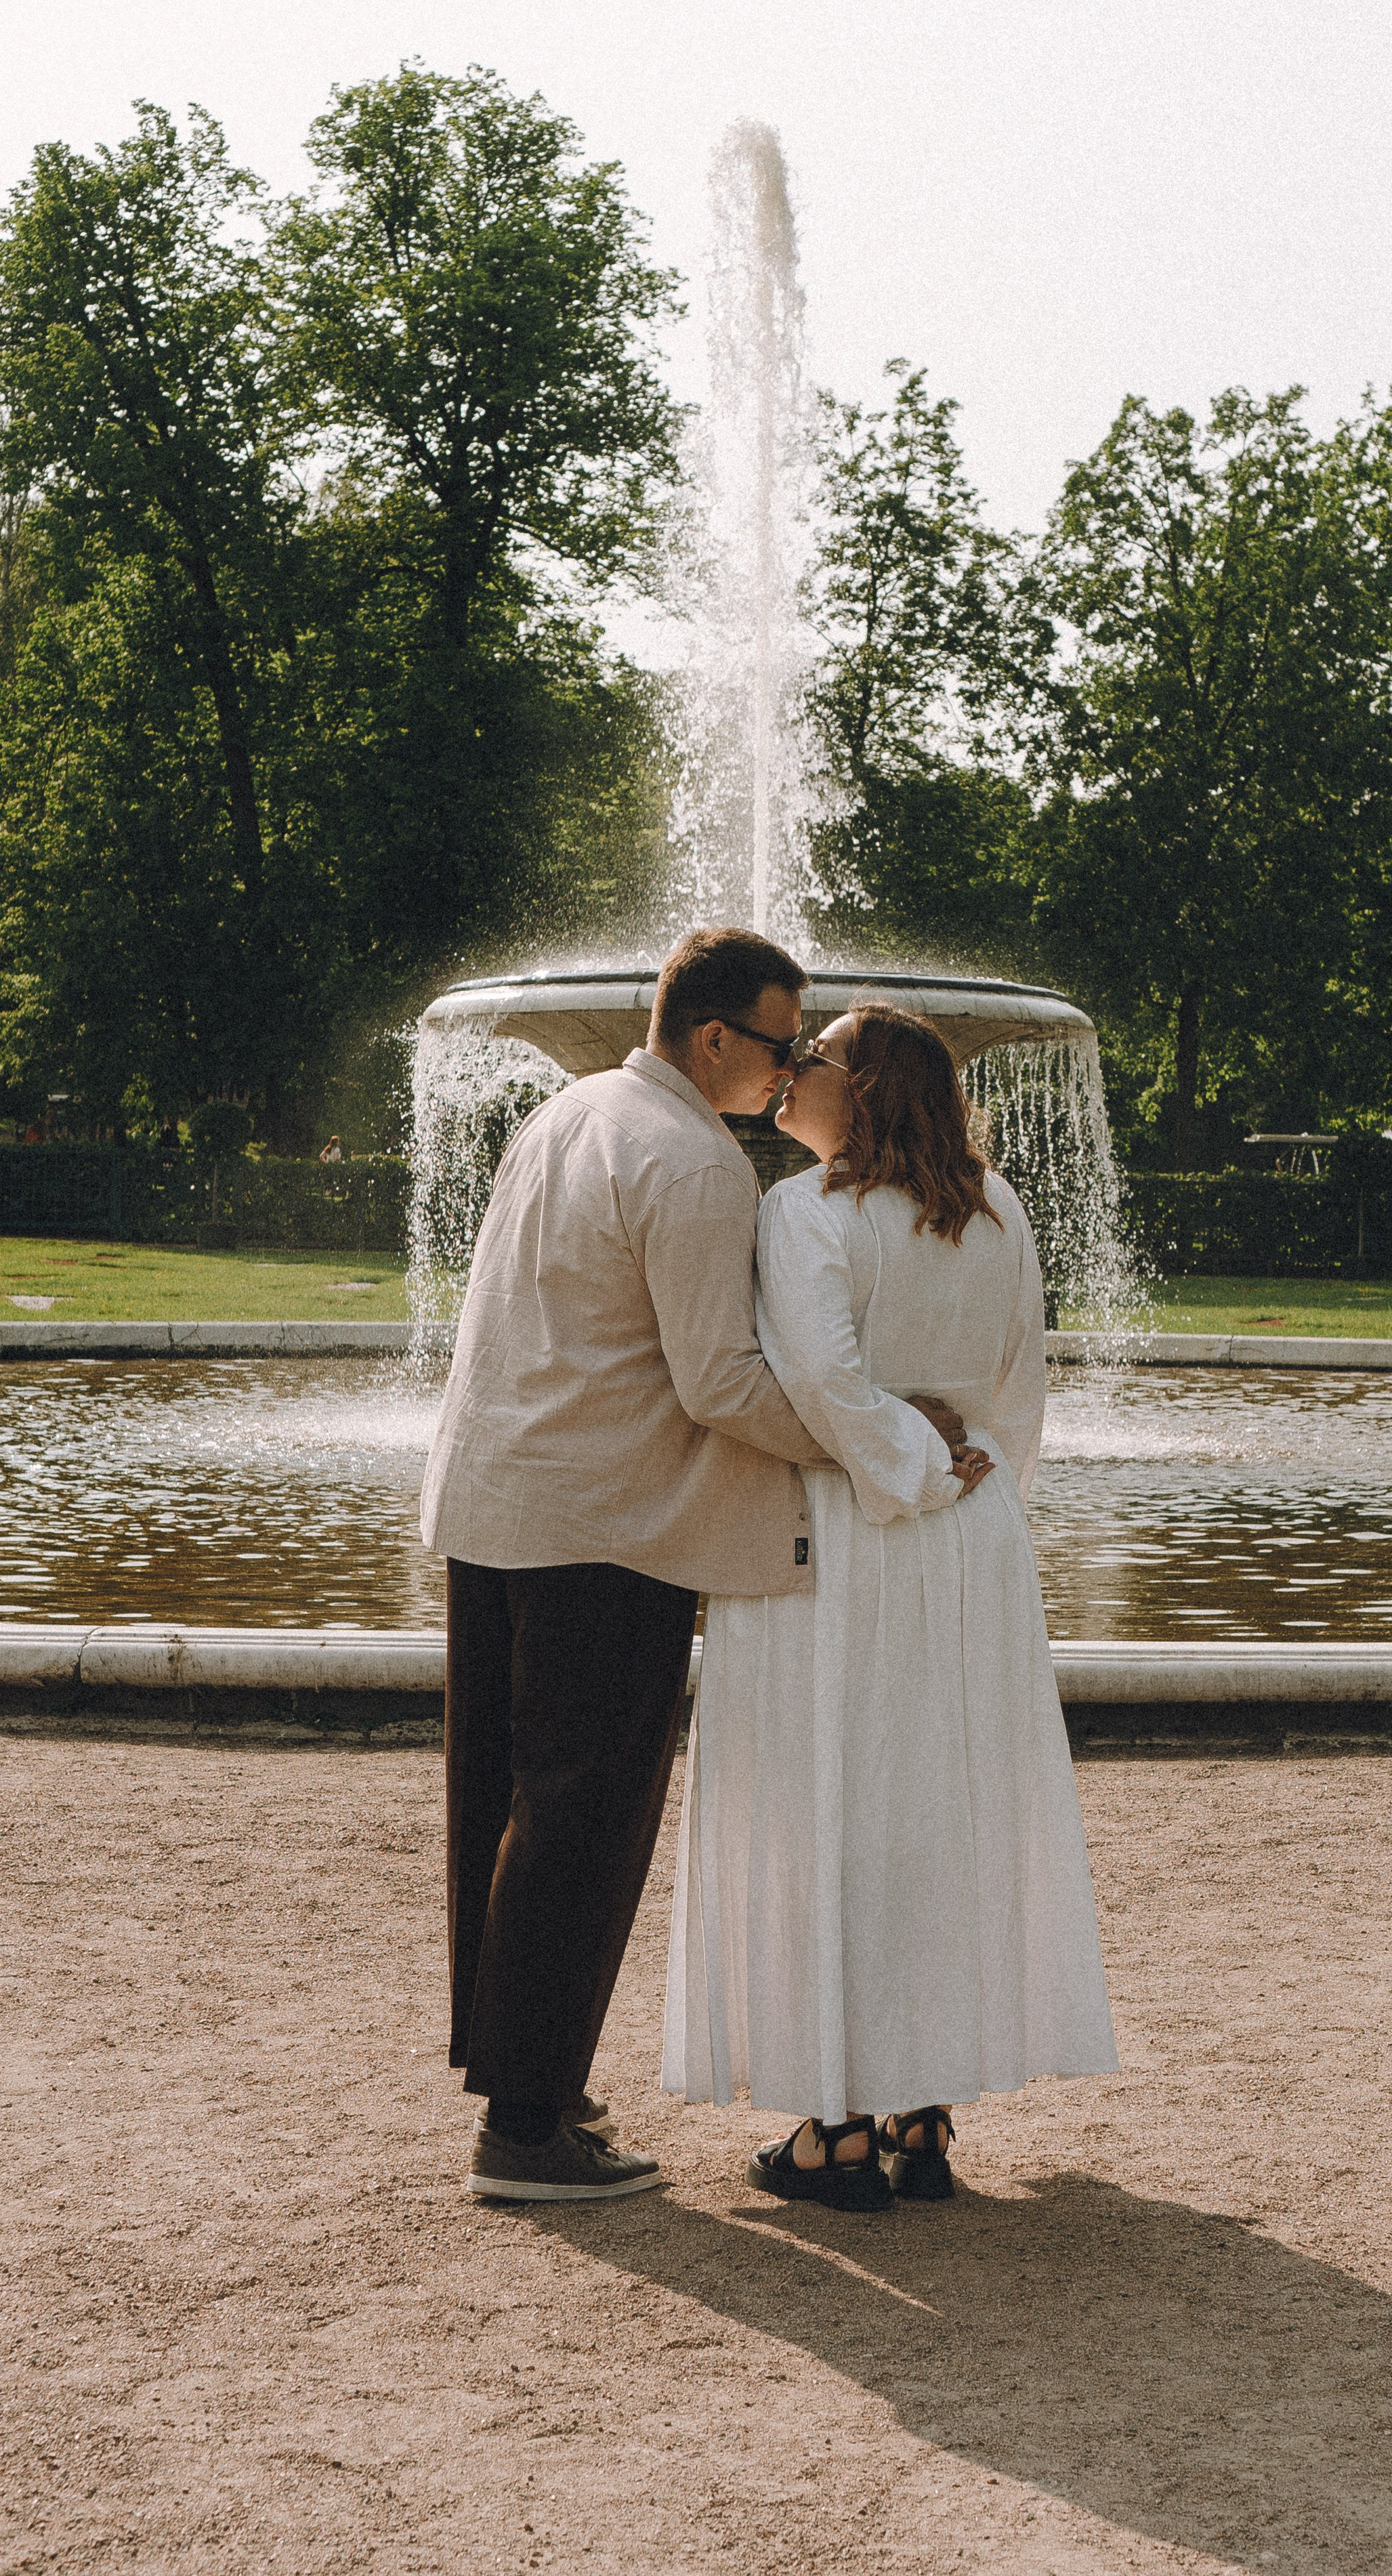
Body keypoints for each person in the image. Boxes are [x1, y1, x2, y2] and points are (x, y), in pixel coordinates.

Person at [420, 928, 969, 2205]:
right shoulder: (698, 1162)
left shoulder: (571, 1113)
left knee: (500, 1809)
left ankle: (525, 2081)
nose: (790, 1075)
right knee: (585, 1822)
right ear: (716, 1037)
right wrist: (877, 1442)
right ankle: (526, 2128)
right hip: (608, 1524)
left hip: (494, 1502)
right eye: (782, 1045)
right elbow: (720, 1382)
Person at [662, 1001, 1119, 2210]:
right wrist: (975, 1482)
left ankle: (837, 2129)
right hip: (973, 1543)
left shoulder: (805, 1211)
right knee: (939, 1814)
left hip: (850, 1537)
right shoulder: (997, 1207)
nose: (788, 1075)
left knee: (831, 1804)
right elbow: (1020, 1382)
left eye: (808, 1061)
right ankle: (922, 2108)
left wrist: (910, 1472)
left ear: (853, 1090)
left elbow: (818, 1378)